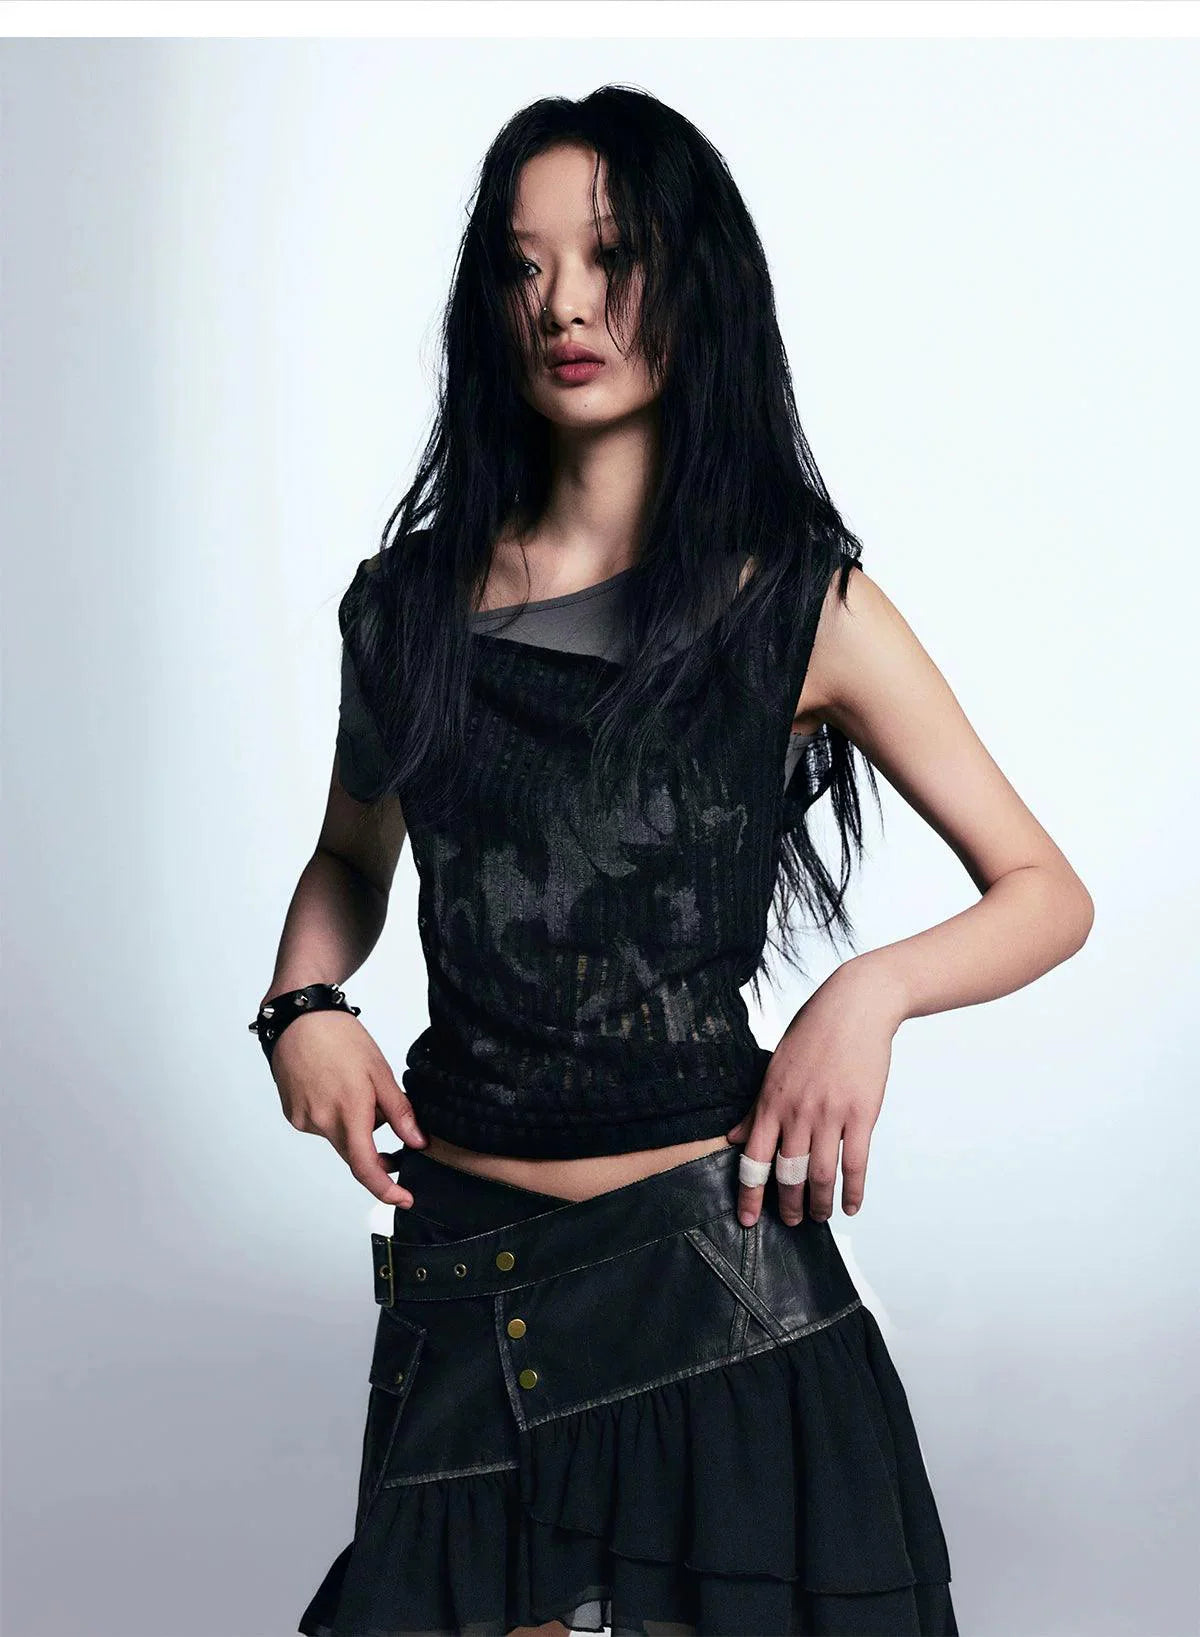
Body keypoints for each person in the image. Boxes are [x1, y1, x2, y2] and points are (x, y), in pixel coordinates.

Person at [257, 87, 1093, 1637]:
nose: (562, 305)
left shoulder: (799, 605)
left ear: (694, 280)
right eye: (523, 267)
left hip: (715, 1286)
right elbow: (349, 859)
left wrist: (868, 993)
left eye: (611, 257)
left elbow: (1046, 891)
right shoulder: (406, 609)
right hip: (469, 1286)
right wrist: (301, 1002)